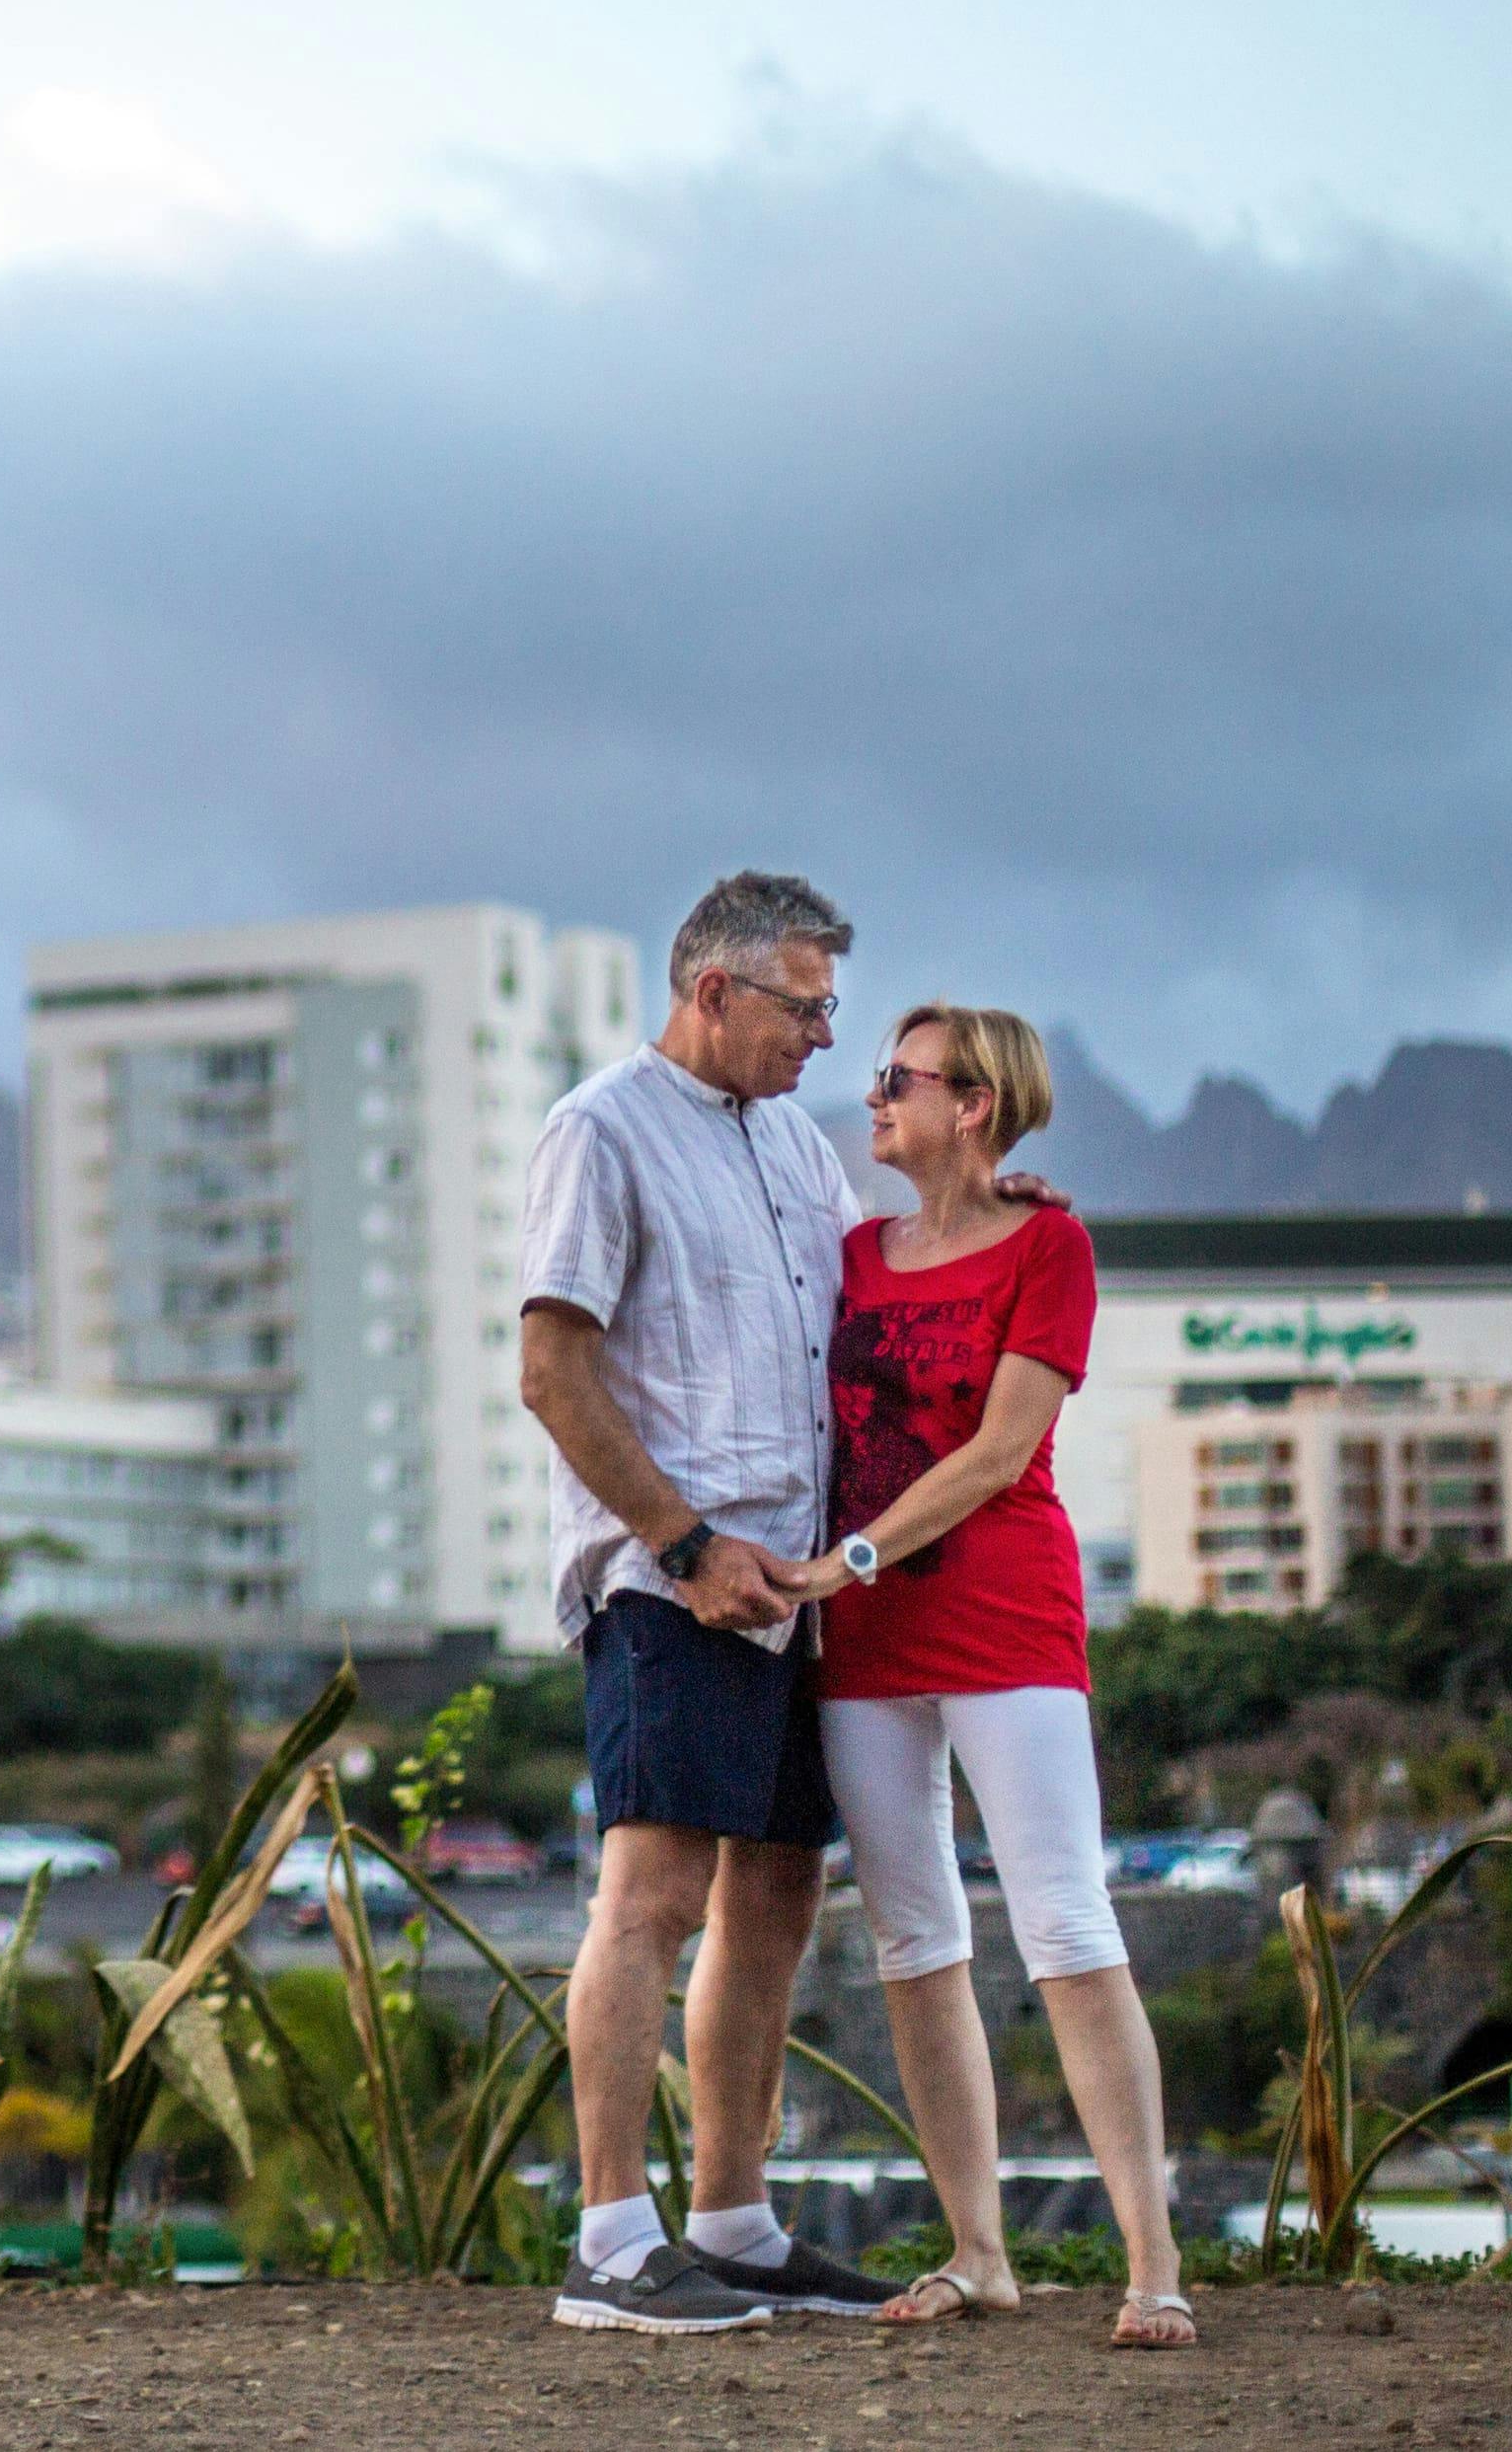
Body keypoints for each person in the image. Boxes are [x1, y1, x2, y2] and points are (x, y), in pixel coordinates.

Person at [773, 1002, 1194, 2352]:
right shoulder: (848, 1256)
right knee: (914, 1943)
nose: (872, 1092)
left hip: (1002, 1617)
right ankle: (979, 2253)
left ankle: (1154, 2267)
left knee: (1068, 1928)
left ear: (975, 1104)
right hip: (869, 1642)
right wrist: (845, 1573)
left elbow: (1008, 1447)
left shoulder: (1050, 1243)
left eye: (898, 1076)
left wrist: (854, 1552)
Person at [522, 871, 908, 2334]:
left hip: (801, 1581)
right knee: (657, 1892)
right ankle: (612, 2241)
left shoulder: (801, 1153)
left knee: (778, 1891)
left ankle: (733, 2223)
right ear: (712, 990)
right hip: (670, 1586)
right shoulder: (600, 1129)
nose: (823, 1035)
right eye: (804, 1005)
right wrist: (684, 1547)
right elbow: (553, 1369)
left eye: (832, 1009)